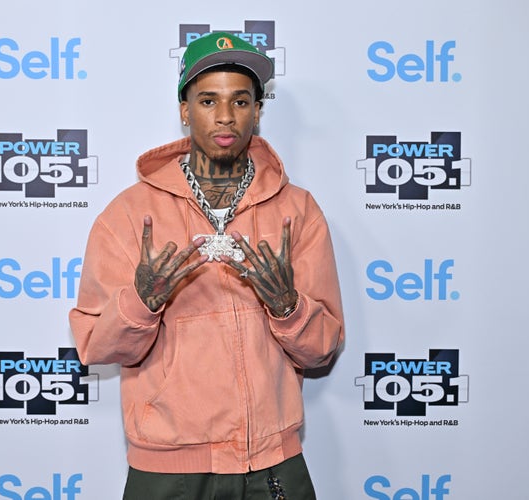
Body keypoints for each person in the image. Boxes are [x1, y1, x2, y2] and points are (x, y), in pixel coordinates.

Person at [69, 32, 344, 499]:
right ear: (184, 110)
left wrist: (288, 307)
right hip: (168, 470)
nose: (225, 115)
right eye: (208, 100)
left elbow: (322, 350)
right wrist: (141, 303)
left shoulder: (296, 210)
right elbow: (95, 344)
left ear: (257, 111)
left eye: (241, 101)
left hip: (271, 463)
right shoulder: (130, 214)